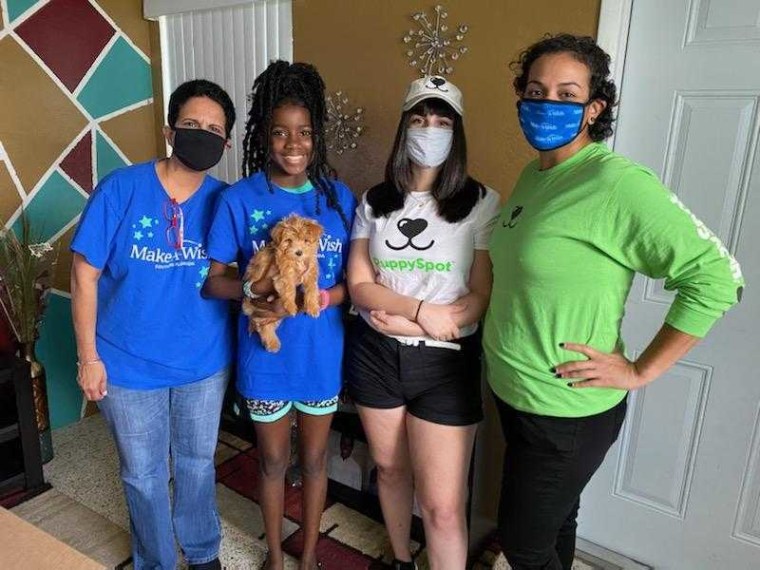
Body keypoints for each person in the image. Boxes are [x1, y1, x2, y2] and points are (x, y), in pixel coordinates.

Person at [484, 33, 745, 570]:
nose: (547, 104)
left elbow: (717, 278)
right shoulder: (536, 175)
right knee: (556, 524)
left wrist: (640, 370)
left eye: (566, 93)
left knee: (523, 543)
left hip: (565, 410)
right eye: (536, 90)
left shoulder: (614, 183)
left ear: (594, 107)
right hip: (517, 394)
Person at [70, 79, 236, 570]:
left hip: (203, 364)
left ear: (225, 144)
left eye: (214, 129)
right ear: (169, 131)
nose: (201, 134)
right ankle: (156, 560)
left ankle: (203, 552)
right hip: (126, 363)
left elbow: (246, 274)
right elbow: (84, 275)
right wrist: (88, 358)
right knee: (142, 473)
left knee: (197, 464)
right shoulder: (121, 188)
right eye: (191, 125)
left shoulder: (226, 200)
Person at [202, 61, 356, 570]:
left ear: (317, 137)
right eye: (280, 132)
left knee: (314, 461)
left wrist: (329, 297)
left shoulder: (338, 199)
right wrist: (253, 288)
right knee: (271, 461)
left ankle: (308, 555)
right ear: (263, 137)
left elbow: (356, 283)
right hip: (263, 355)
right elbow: (213, 281)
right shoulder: (238, 199)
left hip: (321, 354)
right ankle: (273, 554)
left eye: (305, 132)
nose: (294, 143)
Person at [346, 76, 501, 570]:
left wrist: (411, 326)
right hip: (375, 356)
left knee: (442, 506)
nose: (429, 129)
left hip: (446, 363)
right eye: (419, 119)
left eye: (441, 120)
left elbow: (478, 297)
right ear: (403, 128)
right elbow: (359, 285)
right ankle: (399, 559)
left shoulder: (481, 201)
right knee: (390, 471)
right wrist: (419, 311)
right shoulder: (374, 200)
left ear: (457, 131)